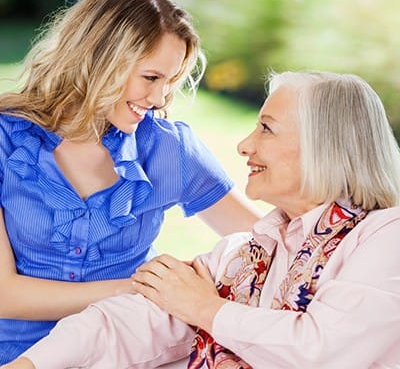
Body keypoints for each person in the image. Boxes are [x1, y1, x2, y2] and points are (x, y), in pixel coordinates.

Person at [3, 70, 400, 369]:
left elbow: (324, 352)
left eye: (266, 129)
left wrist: (205, 308)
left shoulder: (384, 239)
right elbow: (132, 320)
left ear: (324, 145)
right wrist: (29, 366)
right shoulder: (248, 251)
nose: (245, 145)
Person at [0, 0, 262, 364]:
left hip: (121, 355)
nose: (159, 99)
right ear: (99, 60)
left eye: (169, 82)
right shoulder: (7, 142)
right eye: (151, 78)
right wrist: (140, 291)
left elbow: (263, 240)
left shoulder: (169, 149)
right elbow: (6, 294)